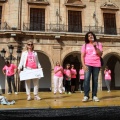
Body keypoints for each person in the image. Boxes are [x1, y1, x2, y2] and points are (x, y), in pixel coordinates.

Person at [81, 31, 103, 102]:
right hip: (88, 64)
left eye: (91, 35)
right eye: (89, 36)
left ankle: (94, 95)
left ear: (94, 36)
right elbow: (82, 56)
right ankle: (86, 96)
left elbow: (100, 54)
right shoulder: (85, 45)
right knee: (86, 80)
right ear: (87, 38)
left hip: (96, 64)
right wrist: (83, 65)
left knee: (95, 80)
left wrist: (95, 46)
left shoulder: (99, 44)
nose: (90, 36)